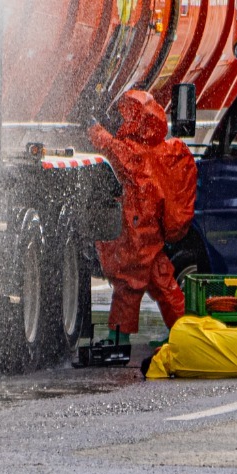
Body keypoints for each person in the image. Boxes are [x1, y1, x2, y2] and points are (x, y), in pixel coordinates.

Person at [89, 90, 196, 346]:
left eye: (126, 115)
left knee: (129, 284)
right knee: (163, 282)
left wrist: (96, 132)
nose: (122, 120)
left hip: (140, 232)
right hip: (151, 231)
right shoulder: (160, 151)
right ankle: (182, 332)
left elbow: (115, 152)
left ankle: (119, 337)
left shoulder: (136, 152)